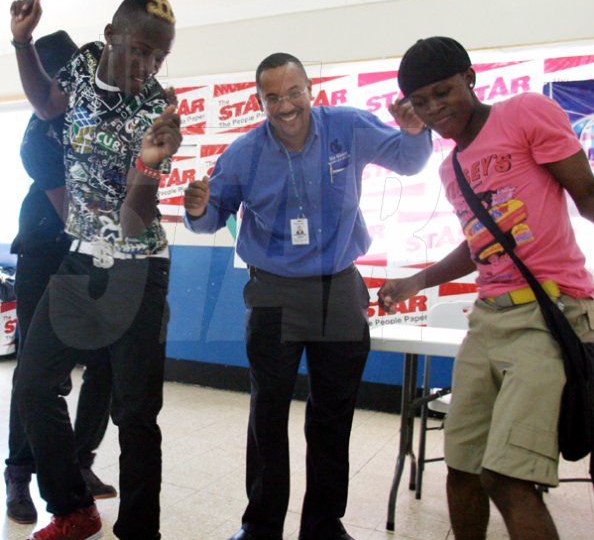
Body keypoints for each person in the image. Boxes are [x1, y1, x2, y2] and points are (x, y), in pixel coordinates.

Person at [183, 52, 432, 540]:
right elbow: (211, 216)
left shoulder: (348, 126)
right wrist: (198, 209)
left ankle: (322, 524)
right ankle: (260, 525)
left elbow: (408, 160)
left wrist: (416, 132)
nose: (285, 105)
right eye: (272, 97)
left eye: (293, 92)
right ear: (259, 102)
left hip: (338, 286)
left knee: (333, 414)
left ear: (310, 90)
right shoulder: (243, 153)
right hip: (274, 291)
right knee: (268, 413)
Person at [378, 36, 594, 540]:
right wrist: (417, 279)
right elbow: (481, 244)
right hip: (487, 320)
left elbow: (585, 196)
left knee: (508, 477)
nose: (434, 108)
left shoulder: (525, 113)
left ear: (469, 79)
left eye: (443, 91)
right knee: (463, 468)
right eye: (420, 101)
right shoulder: (450, 168)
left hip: (548, 315)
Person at [9, 0, 182, 540]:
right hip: (80, 256)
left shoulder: (156, 110)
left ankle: (139, 530)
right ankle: (73, 507)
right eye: (138, 50)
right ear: (110, 35)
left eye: (158, 57)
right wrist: (22, 42)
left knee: (134, 413)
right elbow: (46, 106)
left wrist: (151, 166)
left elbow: (134, 221)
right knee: (34, 382)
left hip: (138, 265)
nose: (146, 66)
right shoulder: (83, 62)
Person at [6, 30, 115, 526]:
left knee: (107, 361)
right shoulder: (37, 138)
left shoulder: (90, 117)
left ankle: (75, 460)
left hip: (85, 253)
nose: (72, 87)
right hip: (47, 254)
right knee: (34, 370)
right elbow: (76, 216)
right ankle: (20, 475)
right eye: (61, 80)